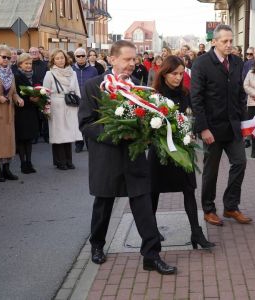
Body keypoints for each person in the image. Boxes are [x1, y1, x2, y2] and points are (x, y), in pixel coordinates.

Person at [79, 40, 176, 274]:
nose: (133, 64)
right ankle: (97, 245)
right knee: (103, 205)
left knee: (143, 205)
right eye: (127, 59)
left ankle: (151, 255)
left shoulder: (138, 87)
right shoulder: (94, 86)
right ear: (112, 59)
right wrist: (116, 134)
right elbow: (86, 124)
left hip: (134, 158)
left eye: (135, 59)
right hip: (106, 157)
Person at [150, 55, 215, 249]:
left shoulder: (185, 93)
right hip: (160, 150)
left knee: (188, 190)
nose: (178, 77)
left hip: (182, 149)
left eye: (181, 73)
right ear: (164, 74)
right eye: (174, 74)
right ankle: (151, 230)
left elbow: (192, 115)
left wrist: (193, 131)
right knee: (153, 192)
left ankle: (196, 232)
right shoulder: (154, 95)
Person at [191, 24, 251, 226]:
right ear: (214, 41)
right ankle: (208, 209)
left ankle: (231, 206)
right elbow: (196, 98)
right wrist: (203, 128)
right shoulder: (201, 63)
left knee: (240, 162)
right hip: (212, 129)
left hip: (233, 127)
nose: (229, 45)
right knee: (211, 171)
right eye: (224, 41)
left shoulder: (236, 62)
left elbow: (240, 93)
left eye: (231, 41)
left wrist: (245, 122)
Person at [43, 49, 82, 170]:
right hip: (56, 105)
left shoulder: (73, 73)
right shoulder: (50, 74)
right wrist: (47, 108)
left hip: (70, 105)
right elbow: (45, 92)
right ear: (53, 60)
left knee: (69, 133)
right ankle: (60, 161)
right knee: (58, 134)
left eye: (62, 57)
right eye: (57, 58)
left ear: (66, 58)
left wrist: (80, 104)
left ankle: (68, 160)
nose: (60, 60)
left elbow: (77, 90)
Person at [0, 44, 24, 182]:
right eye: (4, 57)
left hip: (9, 114)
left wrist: (18, 99)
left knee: (9, 144)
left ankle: (7, 169)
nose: (6, 60)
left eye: (9, 58)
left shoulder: (10, 74)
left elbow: (14, 92)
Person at [14, 53, 40, 174]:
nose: (29, 66)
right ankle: (23, 164)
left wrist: (39, 97)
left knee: (29, 139)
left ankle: (29, 162)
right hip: (21, 111)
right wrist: (29, 100)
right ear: (20, 64)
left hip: (31, 111)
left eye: (30, 63)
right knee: (21, 139)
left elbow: (39, 90)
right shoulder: (17, 76)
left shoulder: (34, 76)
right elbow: (16, 94)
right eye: (26, 63)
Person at [72, 47, 98, 153]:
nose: (81, 58)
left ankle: (88, 142)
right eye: (78, 56)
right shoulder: (71, 69)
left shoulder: (93, 70)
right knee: (76, 122)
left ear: (86, 57)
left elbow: (97, 84)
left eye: (83, 55)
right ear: (75, 57)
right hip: (76, 99)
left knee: (88, 121)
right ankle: (79, 143)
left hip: (89, 98)